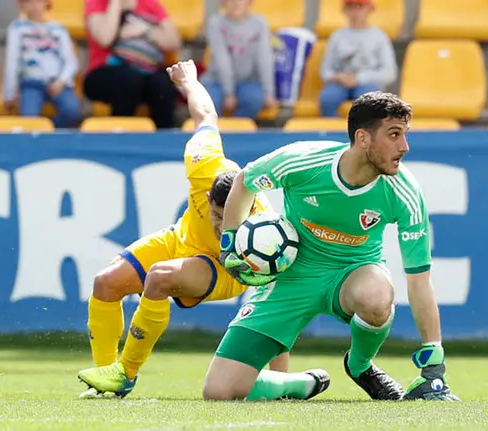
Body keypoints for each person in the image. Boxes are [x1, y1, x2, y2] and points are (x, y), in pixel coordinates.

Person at [204, 91, 460, 402]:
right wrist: (230, 242)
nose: (404, 147)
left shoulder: (404, 191)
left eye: (405, 135)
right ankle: (297, 383)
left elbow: (419, 280)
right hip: (292, 275)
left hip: (352, 275)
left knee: (377, 296)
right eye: (394, 135)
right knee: (219, 392)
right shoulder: (304, 160)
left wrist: (434, 356)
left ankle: (360, 365)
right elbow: (246, 180)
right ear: (363, 138)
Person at [77, 59, 292, 399]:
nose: (225, 225)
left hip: (223, 269)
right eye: (219, 216)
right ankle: (105, 379)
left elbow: (276, 299)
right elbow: (206, 115)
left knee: (160, 277)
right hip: (181, 239)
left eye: (234, 217)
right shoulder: (203, 163)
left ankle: (125, 373)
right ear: (208, 198)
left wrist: (282, 381)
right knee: (106, 283)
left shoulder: (264, 221)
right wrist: (188, 80)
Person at [83, 0, 181, 129]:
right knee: (130, 79)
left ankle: (163, 140)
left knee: (162, 83)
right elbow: (105, 39)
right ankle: (119, 137)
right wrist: (115, 4)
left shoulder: (150, 4)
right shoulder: (96, 3)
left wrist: (146, 30)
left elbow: (174, 42)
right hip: (105, 71)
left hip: (147, 70)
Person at [3, 0, 81, 128]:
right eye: (29, 2)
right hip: (31, 83)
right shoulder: (16, 28)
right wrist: (9, 93)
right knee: (29, 118)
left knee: (71, 110)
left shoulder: (58, 29)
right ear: (21, 5)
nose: (34, 6)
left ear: (46, 3)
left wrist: (61, 81)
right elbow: (12, 61)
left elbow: (71, 62)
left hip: (57, 83)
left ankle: (51, 133)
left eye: (39, 1)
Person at [318, 0, 397, 118]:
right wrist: (338, 76)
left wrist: (359, 78)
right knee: (327, 98)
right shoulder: (337, 36)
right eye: (350, 6)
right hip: (340, 83)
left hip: (368, 83)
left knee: (368, 102)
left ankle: (365, 134)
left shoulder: (379, 36)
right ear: (344, 10)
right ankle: (330, 131)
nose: (355, 12)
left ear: (370, 9)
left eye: (359, 6)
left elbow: (389, 73)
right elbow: (325, 70)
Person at [200, 0, 278, 119]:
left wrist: (269, 93)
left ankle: (236, 132)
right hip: (216, 81)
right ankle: (216, 133)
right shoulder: (215, 23)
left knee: (254, 100)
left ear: (250, 2)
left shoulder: (259, 23)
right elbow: (222, 61)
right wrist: (229, 93)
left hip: (248, 80)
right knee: (208, 103)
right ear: (223, 3)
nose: (235, 3)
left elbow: (265, 59)